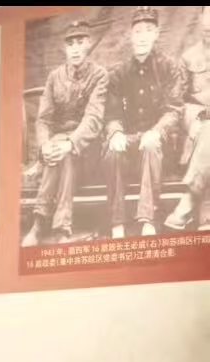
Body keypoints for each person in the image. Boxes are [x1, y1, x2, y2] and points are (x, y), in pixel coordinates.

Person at [23, 19, 109, 246]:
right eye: (71, 44)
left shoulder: (100, 75)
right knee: (59, 153)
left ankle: (38, 224)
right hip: (59, 151)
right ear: (65, 47)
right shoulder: (54, 77)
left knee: (66, 151)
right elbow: (43, 119)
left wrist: (69, 143)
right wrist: (45, 146)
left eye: (80, 42)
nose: (76, 48)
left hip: (87, 150)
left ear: (89, 43)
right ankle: (62, 229)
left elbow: (93, 119)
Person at [103, 5, 184, 238]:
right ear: (130, 35)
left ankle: (148, 220)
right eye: (138, 31)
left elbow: (174, 110)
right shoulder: (120, 72)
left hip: (160, 146)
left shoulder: (168, 67)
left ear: (157, 33)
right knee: (111, 149)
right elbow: (112, 113)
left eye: (148, 30)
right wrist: (115, 132)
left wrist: (157, 131)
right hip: (130, 143)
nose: (142, 37)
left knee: (149, 144)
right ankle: (117, 222)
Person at [164, 6, 210, 232]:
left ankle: (191, 200)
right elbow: (176, 102)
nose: (209, 23)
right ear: (201, 17)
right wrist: (196, 117)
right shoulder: (188, 56)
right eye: (207, 14)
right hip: (196, 120)